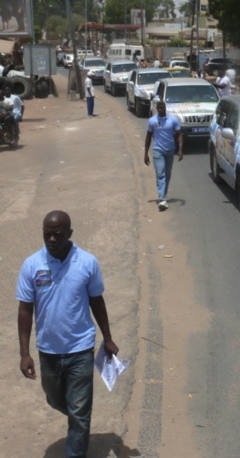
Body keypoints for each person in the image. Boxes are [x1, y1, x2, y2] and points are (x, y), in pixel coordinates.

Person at [17, 210, 119, 458]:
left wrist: (107, 337)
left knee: (80, 411)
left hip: (80, 349)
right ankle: (77, 418)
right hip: (48, 351)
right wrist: (24, 353)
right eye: (47, 235)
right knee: (55, 400)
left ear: (69, 234)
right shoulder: (32, 265)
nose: (51, 240)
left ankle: (76, 448)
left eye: (57, 235)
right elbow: (25, 309)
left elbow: (97, 301)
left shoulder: (87, 262)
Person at [144, 101, 183, 211]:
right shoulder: (152, 121)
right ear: (157, 108)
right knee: (160, 173)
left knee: (167, 174)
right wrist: (145, 154)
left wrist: (180, 150)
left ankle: (163, 195)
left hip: (170, 150)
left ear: (165, 108)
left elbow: (179, 134)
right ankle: (162, 199)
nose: (161, 109)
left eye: (163, 107)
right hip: (158, 150)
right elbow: (148, 137)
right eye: (159, 108)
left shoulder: (173, 120)